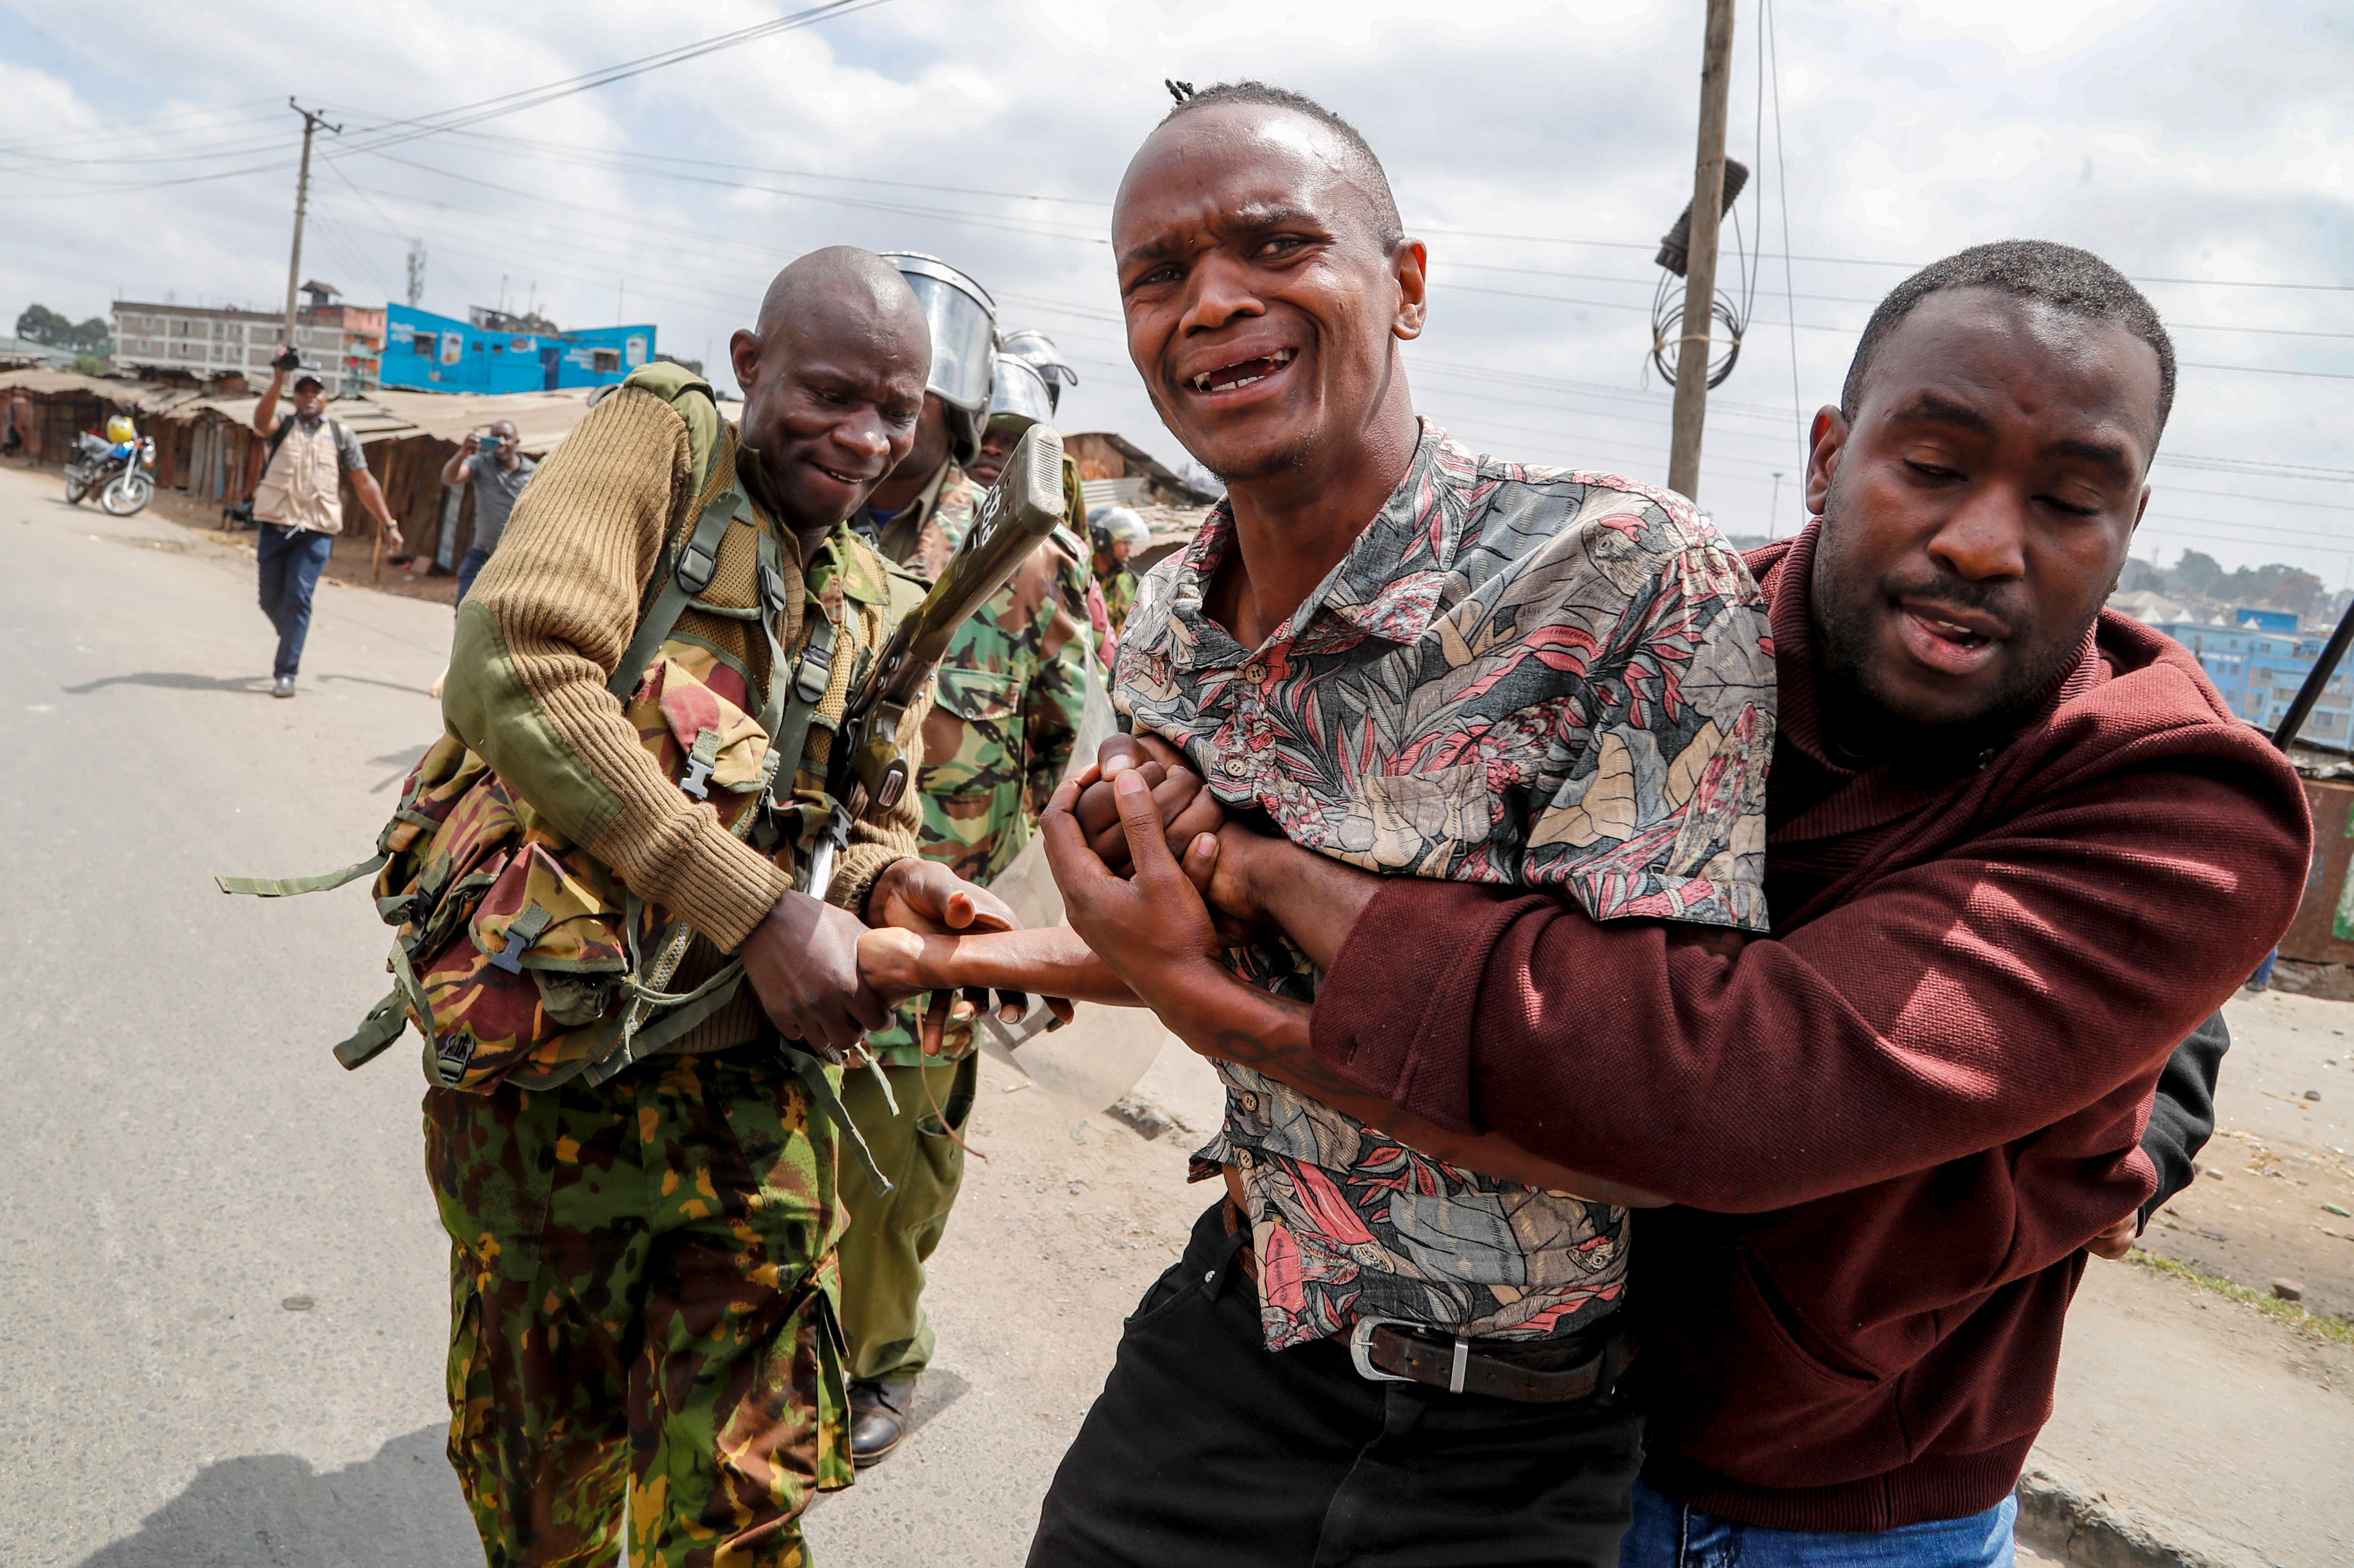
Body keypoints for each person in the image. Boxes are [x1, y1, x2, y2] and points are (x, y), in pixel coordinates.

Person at [1074, 241, 2312, 1566]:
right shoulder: (1647, 622)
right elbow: (1379, 833)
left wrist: (1261, 894)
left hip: (1821, 1507)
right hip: (1503, 1429)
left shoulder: (2173, 794)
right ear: (1828, 456)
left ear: (2126, 530)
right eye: (1931, 467)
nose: (1979, 543)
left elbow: (1727, 1085)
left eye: (2069, 501)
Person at [867, 81, 1776, 1564]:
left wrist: (1207, 946)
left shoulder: (1611, 582)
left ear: (1405, 288)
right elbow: (1174, 947)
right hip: (1233, 1348)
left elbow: (1646, 1131)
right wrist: (969, 953)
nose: (1212, 303)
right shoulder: (1168, 621)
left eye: (1276, 247)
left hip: (1514, 1442)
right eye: (1157, 277)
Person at [430, 246, 1020, 1568]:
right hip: (553, 1086)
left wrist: (896, 885)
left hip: (752, 1103)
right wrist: (757, 912)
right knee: (548, 1487)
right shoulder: (659, 440)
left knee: (749, 1499)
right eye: (829, 394)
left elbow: (864, 832)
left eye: (896, 411)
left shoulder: (872, 595)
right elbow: (516, 664)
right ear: (751, 366)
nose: (865, 439)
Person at [834, 325, 1097, 1467]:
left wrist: (1036, 935)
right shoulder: (812, 511)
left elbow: (1074, 758)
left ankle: (880, 1359)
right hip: (784, 891)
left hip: (935, 919)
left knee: (895, 1160)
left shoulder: (1031, 563)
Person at [249, 360, 404, 697]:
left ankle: (286, 672)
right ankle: (292, 633)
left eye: (315, 392)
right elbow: (260, 422)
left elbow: (364, 483)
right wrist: (276, 381)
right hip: (276, 526)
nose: (308, 397)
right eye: (302, 392)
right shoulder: (281, 425)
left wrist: (388, 524)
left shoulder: (341, 435)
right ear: (293, 397)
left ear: (326, 399)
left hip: (317, 532)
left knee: (299, 596)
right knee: (269, 599)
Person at [438, 419, 535, 604]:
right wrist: (463, 453)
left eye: (507, 437)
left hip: (515, 559)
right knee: (466, 608)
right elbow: (449, 478)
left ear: (517, 442)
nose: (501, 442)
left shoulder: (533, 473)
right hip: (483, 554)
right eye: (496, 437)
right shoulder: (481, 463)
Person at [1088, 504, 1150, 649]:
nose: (1129, 549)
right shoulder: (1083, 584)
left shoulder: (1135, 585)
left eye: (1130, 542)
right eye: (1123, 542)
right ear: (1101, 541)